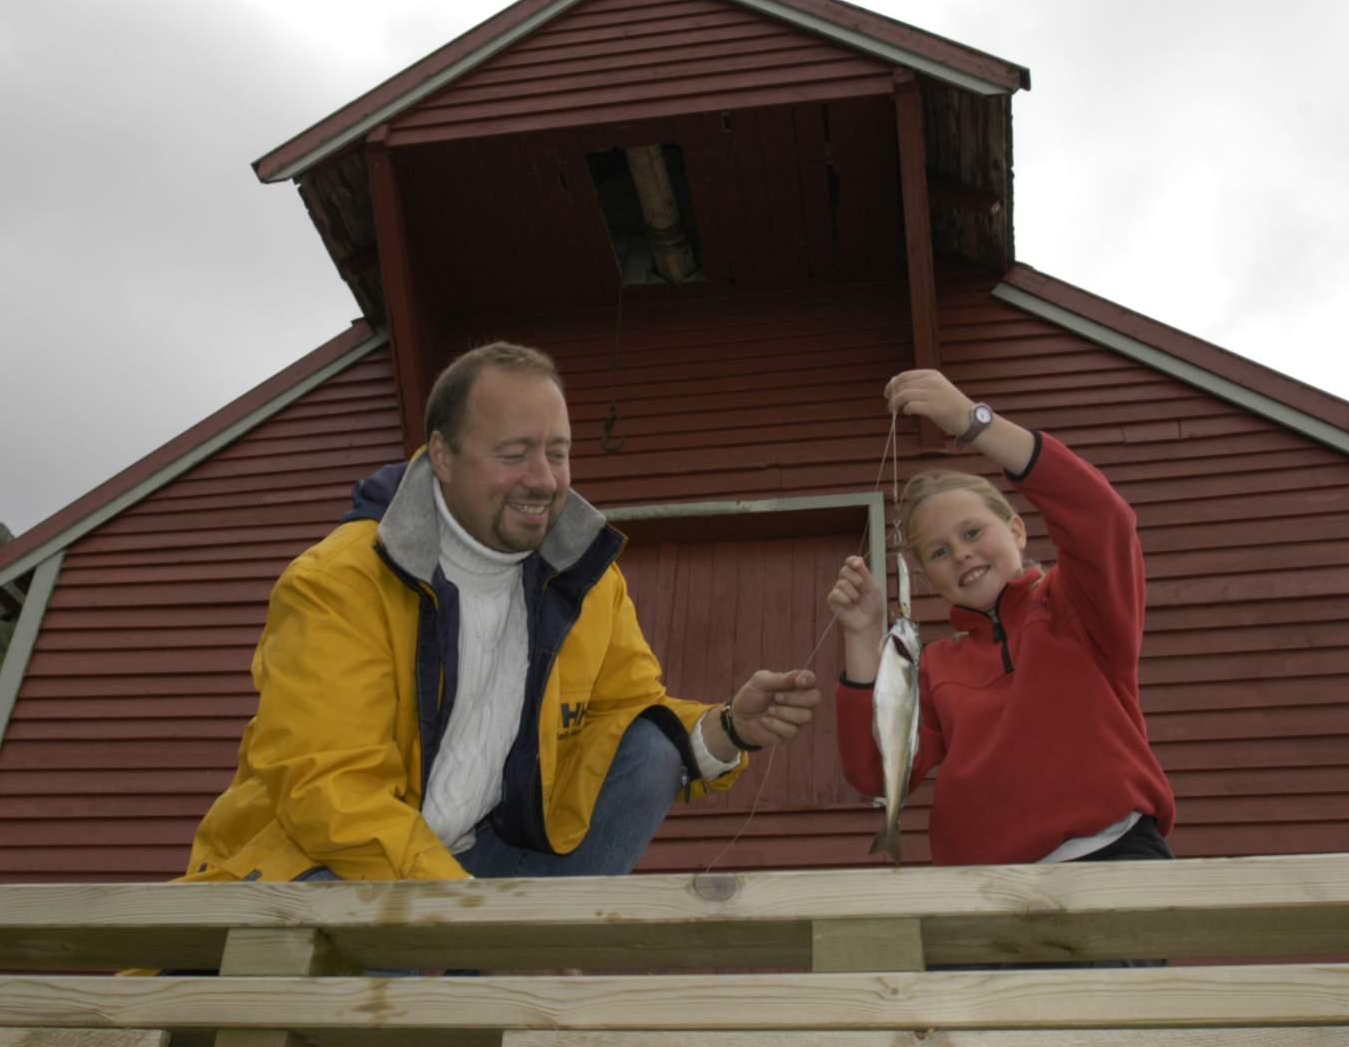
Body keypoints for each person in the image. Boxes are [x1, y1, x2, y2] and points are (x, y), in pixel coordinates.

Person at [180, 341, 820, 884]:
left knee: (649, 749)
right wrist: (465, 910)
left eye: (559, 452)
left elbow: (622, 708)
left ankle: (515, 961)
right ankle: (480, 971)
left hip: (478, 858)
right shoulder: (338, 582)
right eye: (514, 454)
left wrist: (729, 729)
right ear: (442, 456)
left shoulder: (588, 579)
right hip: (321, 865)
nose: (544, 479)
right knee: (397, 1012)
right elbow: (329, 793)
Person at [830, 368, 1175, 883]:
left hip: (1112, 857)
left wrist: (974, 422)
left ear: (1015, 529)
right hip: (980, 888)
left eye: (973, 532)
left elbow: (1105, 517)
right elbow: (872, 772)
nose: (962, 553)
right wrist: (860, 637)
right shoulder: (935, 665)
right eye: (940, 552)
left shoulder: (1078, 605)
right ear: (928, 577)